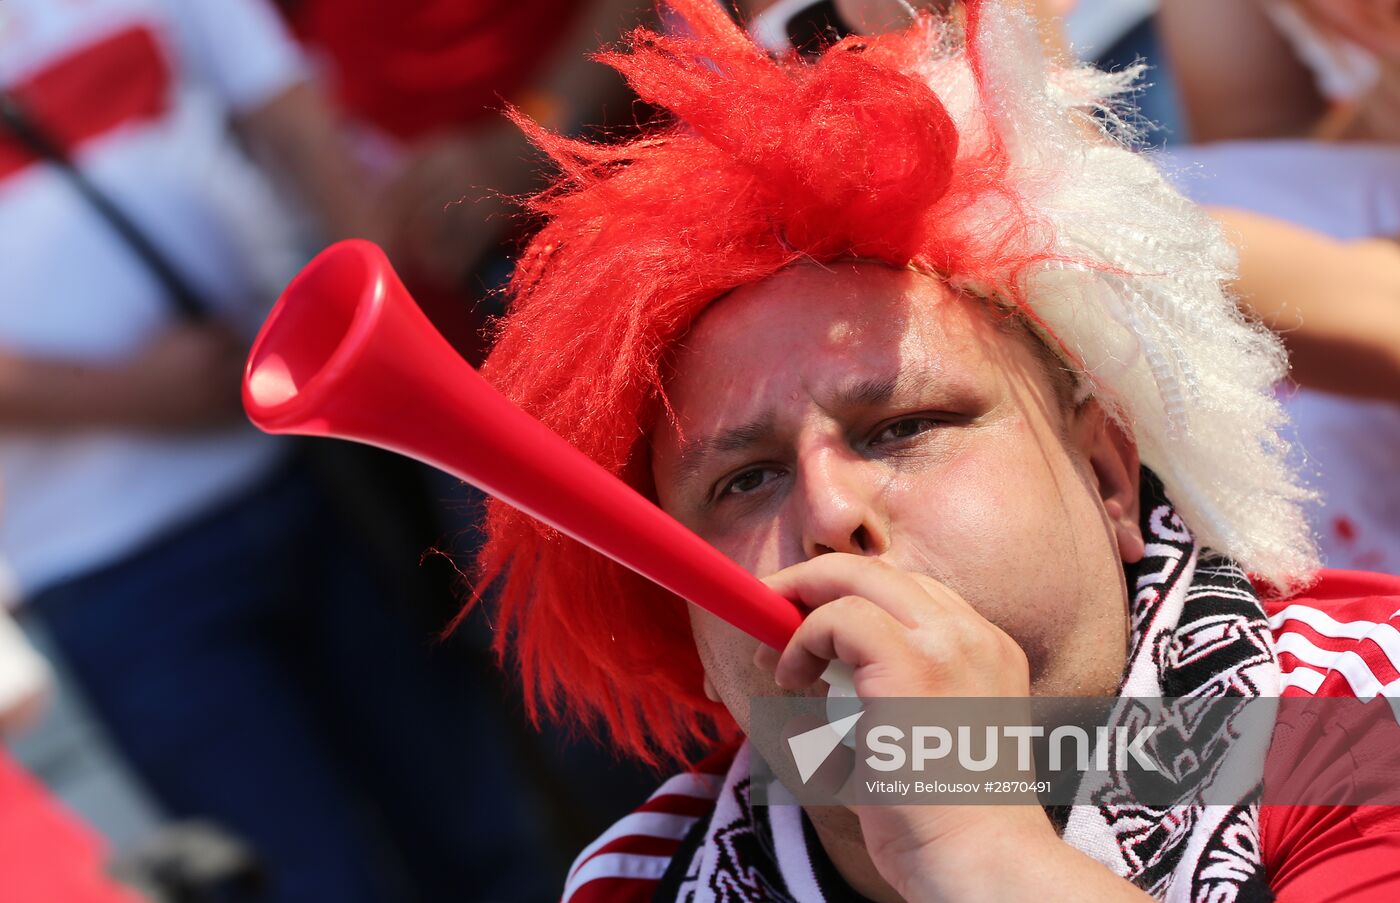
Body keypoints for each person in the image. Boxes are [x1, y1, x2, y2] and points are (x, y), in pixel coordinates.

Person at [452, 0, 1400, 899]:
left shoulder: (1358, 711)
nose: (829, 512)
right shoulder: (635, 880)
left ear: (1108, 475)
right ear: (691, 631)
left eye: (902, 426)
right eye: (745, 481)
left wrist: (981, 849)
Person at [0, 1, 549, 899]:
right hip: (107, 568)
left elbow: (295, 127)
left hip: (308, 476)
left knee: (482, 832)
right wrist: (127, 394)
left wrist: (395, 350)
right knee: (307, 883)